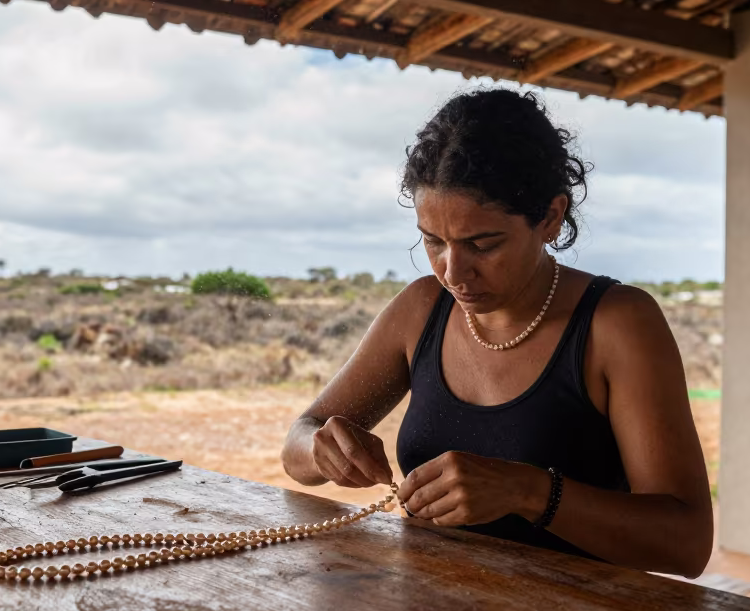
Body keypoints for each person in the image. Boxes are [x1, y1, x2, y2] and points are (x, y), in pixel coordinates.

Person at [280, 88, 713, 578]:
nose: (453, 272)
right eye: (433, 241)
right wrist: (323, 449)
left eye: (482, 244)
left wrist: (527, 492)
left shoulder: (616, 324)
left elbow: (687, 543)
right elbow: (298, 445)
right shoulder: (421, 309)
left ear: (550, 217)